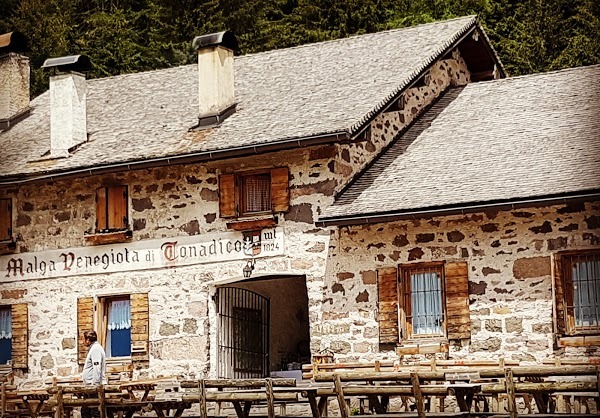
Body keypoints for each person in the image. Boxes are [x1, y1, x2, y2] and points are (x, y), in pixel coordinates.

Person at [81, 330, 106, 418]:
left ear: (88, 340)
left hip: (93, 387)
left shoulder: (95, 349)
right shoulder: (94, 348)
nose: (82, 341)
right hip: (90, 386)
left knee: (95, 411)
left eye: (83, 339)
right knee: (86, 411)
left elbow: (97, 368)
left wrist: (95, 386)